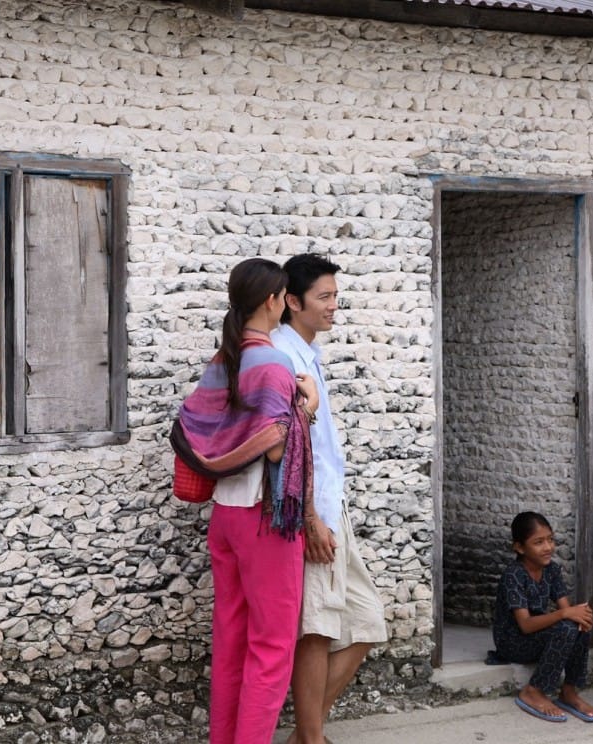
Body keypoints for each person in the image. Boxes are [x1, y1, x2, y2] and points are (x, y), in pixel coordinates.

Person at [173, 258, 320, 744]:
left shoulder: (222, 361)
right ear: (274, 301)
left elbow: (198, 425)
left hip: (225, 517)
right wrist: (308, 408)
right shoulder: (274, 363)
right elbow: (276, 444)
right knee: (272, 648)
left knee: (232, 642)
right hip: (266, 520)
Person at [270, 254, 388, 744]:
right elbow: (291, 450)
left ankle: (306, 735)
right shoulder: (283, 357)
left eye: (336, 296)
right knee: (316, 630)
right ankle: (312, 738)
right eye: (325, 297)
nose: (334, 306)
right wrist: (313, 521)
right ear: (292, 302)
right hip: (310, 512)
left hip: (329, 507)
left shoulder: (307, 353)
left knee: (366, 620)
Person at [492, 511, 593, 724]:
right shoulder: (513, 575)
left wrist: (579, 615)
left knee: (579, 626)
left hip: (538, 638)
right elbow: (526, 625)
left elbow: (567, 610)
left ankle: (568, 692)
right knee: (567, 625)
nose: (548, 547)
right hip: (513, 642)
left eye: (550, 539)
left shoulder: (551, 570)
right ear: (520, 547)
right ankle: (533, 690)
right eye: (538, 542)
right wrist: (566, 614)